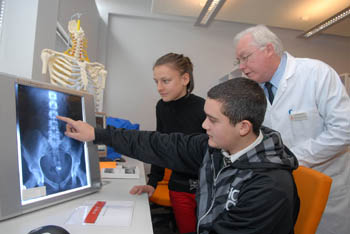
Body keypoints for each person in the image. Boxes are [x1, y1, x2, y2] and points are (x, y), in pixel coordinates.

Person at [57, 77, 300, 234]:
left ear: (243, 127)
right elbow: (159, 144)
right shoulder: (216, 149)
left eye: (213, 120)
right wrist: (97, 134)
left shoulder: (270, 189)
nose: (204, 125)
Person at [233, 24, 350, 234]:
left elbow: (345, 129)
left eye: (245, 57)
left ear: (268, 49)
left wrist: (293, 157)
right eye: (238, 60)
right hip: (281, 188)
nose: (241, 66)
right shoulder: (252, 89)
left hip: (327, 182)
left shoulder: (316, 73)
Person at [129, 53, 206, 234]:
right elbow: (160, 146)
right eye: (156, 81)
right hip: (179, 186)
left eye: (165, 81)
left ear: (185, 78)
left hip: (207, 186)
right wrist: (153, 182)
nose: (159, 87)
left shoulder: (204, 107)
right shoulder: (162, 107)